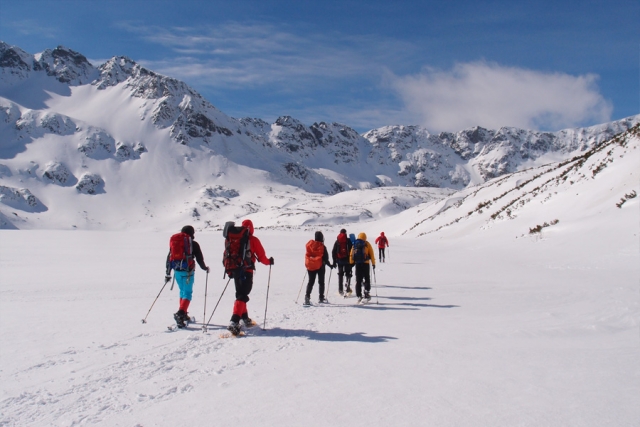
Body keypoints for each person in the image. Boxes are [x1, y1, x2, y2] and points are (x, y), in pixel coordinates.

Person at [227, 219, 274, 336]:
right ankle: (234, 320)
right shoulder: (253, 240)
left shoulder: (233, 239)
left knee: (240, 293)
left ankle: (245, 318)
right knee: (242, 295)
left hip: (235, 269)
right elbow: (262, 256)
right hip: (246, 271)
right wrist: (269, 262)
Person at [166, 225, 209, 328]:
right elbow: (199, 258)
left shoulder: (175, 243)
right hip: (188, 271)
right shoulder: (193, 244)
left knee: (182, 292)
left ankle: (183, 314)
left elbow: (169, 258)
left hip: (177, 271)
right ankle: (180, 314)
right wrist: (205, 268)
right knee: (188, 293)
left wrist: (168, 272)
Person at [304, 231, 333, 305]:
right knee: (321, 282)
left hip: (310, 266)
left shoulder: (310, 245)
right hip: (320, 266)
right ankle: (321, 298)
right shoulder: (322, 246)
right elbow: (326, 259)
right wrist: (330, 265)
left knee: (310, 282)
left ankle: (307, 297)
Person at [350, 232, 376, 303]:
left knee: (358, 280)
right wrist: (373, 263)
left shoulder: (355, 244)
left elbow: (351, 254)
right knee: (367, 278)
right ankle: (366, 292)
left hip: (358, 264)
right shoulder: (367, 244)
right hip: (366, 264)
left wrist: (351, 262)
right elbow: (372, 254)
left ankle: (359, 295)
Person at [331, 229, 353, 296]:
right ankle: (348, 288)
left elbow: (333, 251)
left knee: (340, 274)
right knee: (348, 273)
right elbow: (352, 250)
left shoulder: (337, 241)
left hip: (339, 260)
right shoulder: (348, 240)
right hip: (347, 260)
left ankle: (340, 290)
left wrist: (334, 261)